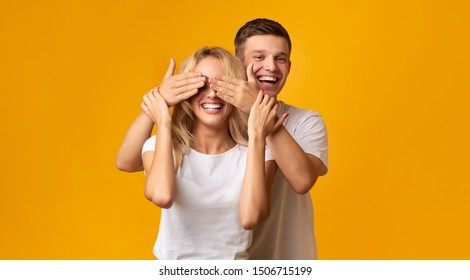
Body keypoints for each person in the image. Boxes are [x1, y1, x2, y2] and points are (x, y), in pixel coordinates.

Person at [116, 18, 328, 259]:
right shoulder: (201, 126)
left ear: (289, 66)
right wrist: (158, 103)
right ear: (237, 66)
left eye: (280, 58)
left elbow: (301, 181)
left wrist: (259, 116)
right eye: (259, 57)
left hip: (282, 256)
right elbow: (128, 162)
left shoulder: (303, 122)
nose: (270, 66)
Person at [140, 46, 285, 259]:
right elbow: (162, 196)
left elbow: (251, 218)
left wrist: (256, 133)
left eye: (222, 85)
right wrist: (163, 121)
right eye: (201, 85)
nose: (212, 94)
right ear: (187, 93)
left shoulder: (260, 152)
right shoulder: (160, 146)